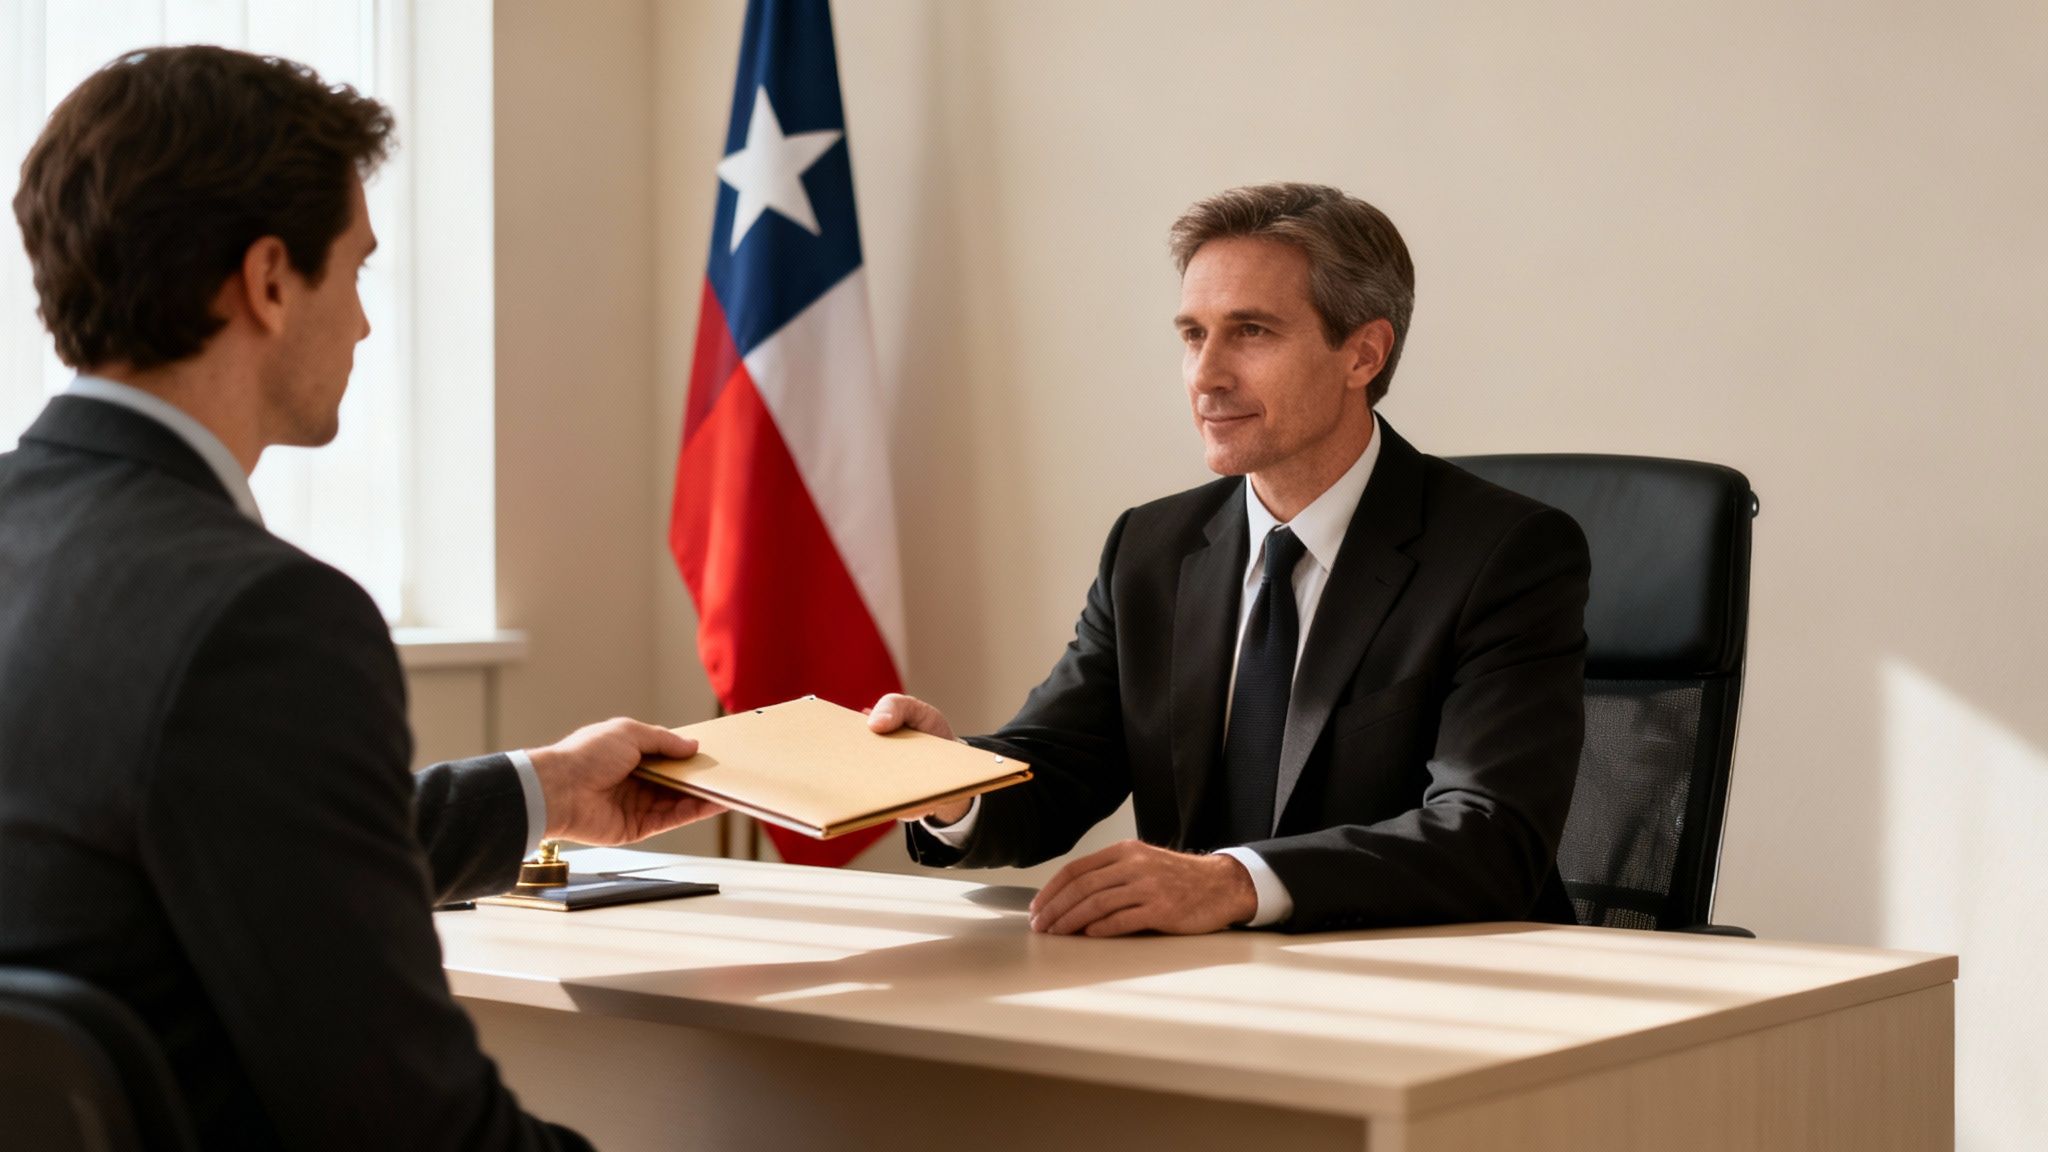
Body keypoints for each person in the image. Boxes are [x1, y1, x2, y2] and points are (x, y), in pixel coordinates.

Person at [0, 46, 720, 1149]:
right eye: (358, 272)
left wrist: (547, 787)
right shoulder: (259, 619)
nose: (367, 326)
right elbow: (415, 1128)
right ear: (271, 279)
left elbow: (223, 845)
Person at [872, 182, 1590, 938]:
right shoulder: (1151, 547)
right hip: (1199, 986)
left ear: (1363, 353)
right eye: (1192, 334)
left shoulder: (1505, 554)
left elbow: (1489, 837)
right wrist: (946, 780)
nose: (1206, 375)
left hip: (1439, 989)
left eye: (1250, 332)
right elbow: (1058, 768)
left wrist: (1235, 883)